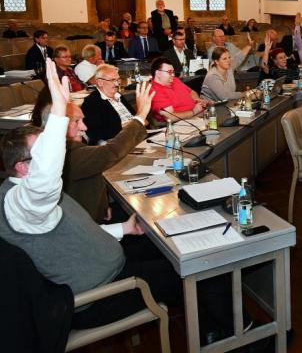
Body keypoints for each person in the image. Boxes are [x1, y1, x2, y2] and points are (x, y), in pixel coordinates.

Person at [0, 59, 235, 340]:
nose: (57, 152)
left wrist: (122, 229)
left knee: (179, 246)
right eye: (44, 154)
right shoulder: (22, 204)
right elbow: (44, 182)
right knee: (202, 267)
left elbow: (71, 231)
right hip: (101, 294)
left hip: (107, 262)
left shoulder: (25, 200)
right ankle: (235, 333)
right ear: (23, 168)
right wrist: (60, 115)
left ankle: (211, 328)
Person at [33, 80, 151, 221]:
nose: (84, 128)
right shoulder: (64, 153)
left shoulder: (65, 146)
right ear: (59, 125)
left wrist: (102, 204)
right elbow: (109, 152)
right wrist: (140, 116)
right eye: (77, 121)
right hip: (83, 223)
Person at [81, 64, 138, 145]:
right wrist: (129, 126)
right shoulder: (91, 102)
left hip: (134, 137)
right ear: (100, 82)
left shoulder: (118, 96)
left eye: (118, 80)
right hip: (113, 145)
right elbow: (97, 134)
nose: (117, 84)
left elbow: (139, 119)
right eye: (112, 80)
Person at [149, 56, 210, 121]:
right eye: (169, 72)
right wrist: (194, 112)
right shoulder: (155, 90)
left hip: (201, 115)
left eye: (173, 72)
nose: (173, 75)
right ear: (157, 73)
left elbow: (191, 92)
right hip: (185, 123)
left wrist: (198, 100)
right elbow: (170, 117)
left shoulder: (174, 80)